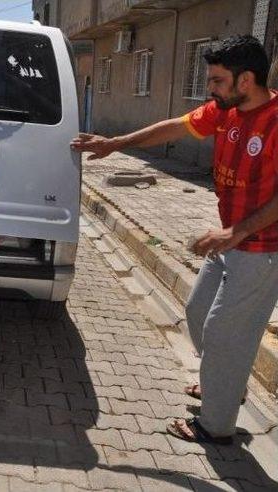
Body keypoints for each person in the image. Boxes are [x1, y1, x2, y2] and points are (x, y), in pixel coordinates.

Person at [71, 35, 278, 445]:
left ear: (246, 80)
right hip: (229, 241)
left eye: (218, 80)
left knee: (222, 331)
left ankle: (215, 427)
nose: (210, 89)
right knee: (198, 314)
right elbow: (174, 127)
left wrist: (236, 231)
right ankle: (226, 385)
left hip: (262, 248)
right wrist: (117, 144)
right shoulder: (225, 111)